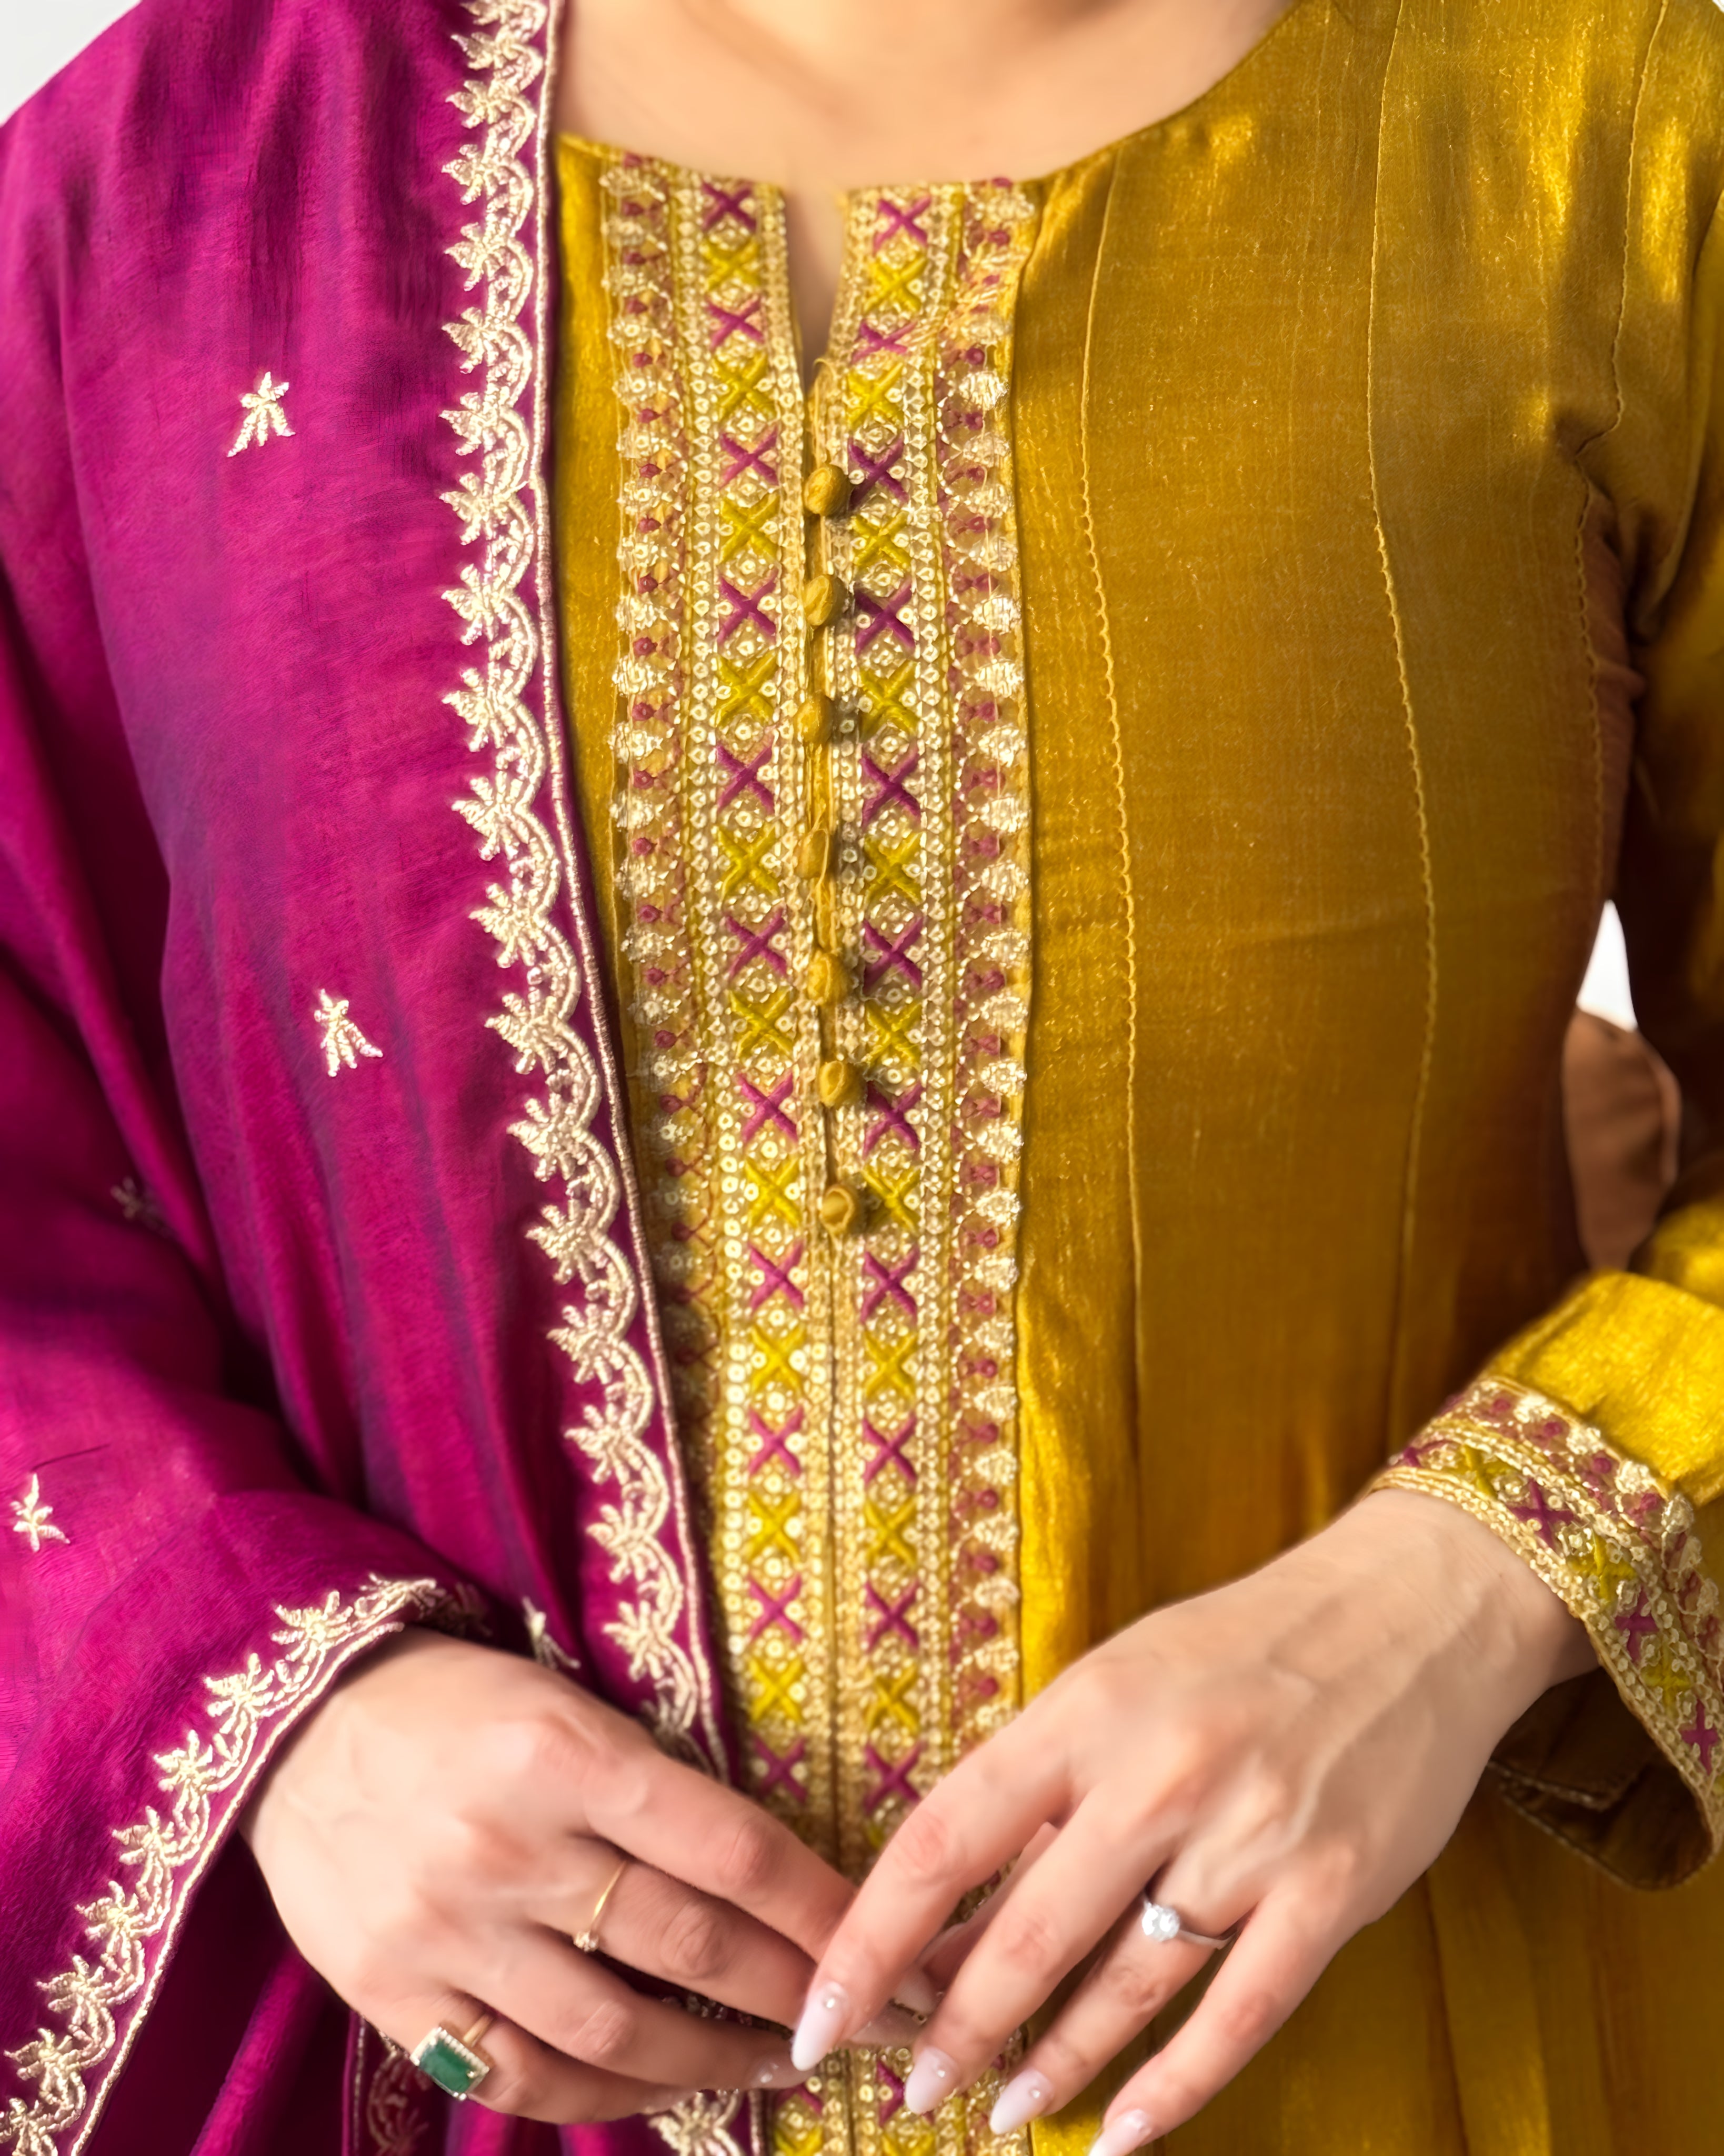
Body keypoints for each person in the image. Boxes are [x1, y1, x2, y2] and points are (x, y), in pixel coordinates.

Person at [2, 0, 1721, 2152]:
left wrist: (1462, 1596)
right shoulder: (166, 203)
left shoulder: (1601, 127)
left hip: (1410, 2027)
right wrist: (296, 1720)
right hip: (465, 2072)